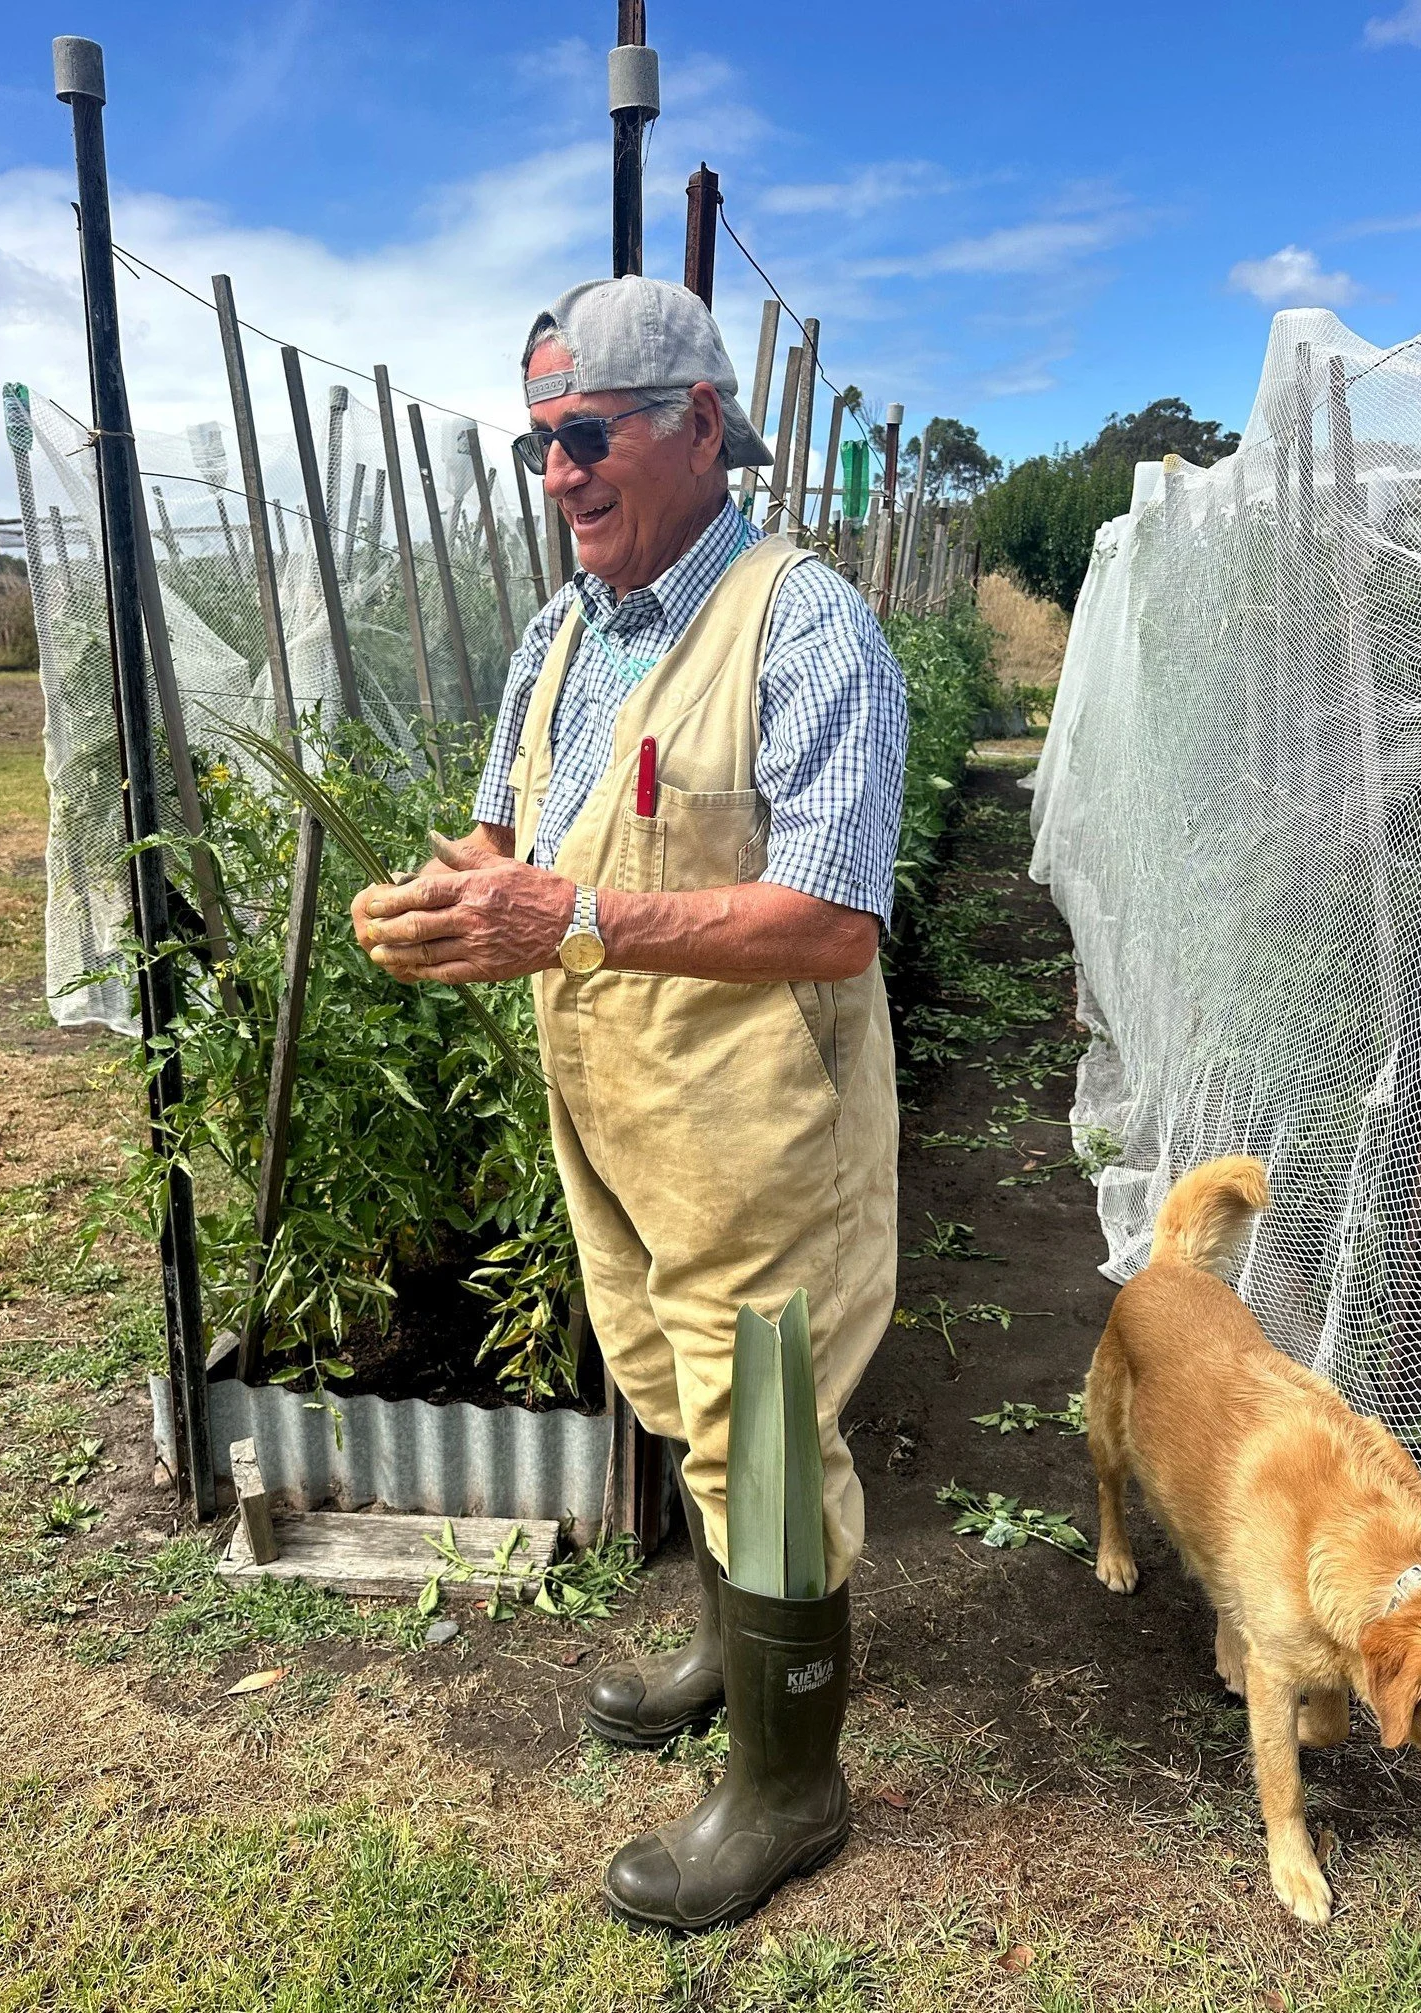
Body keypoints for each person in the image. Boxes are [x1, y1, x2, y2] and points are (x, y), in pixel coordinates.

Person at [351, 275, 906, 1930]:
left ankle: (791, 1788)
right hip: (616, 1099)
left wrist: (576, 920)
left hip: (760, 1121)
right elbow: (511, 843)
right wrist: (443, 901)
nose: (560, 474)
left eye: (588, 435)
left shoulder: (804, 626)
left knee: (765, 1433)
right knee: (670, 1382)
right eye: (539, 443)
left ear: (699, 423)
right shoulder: (564, 633)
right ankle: (736, 1655)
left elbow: (833, 919)